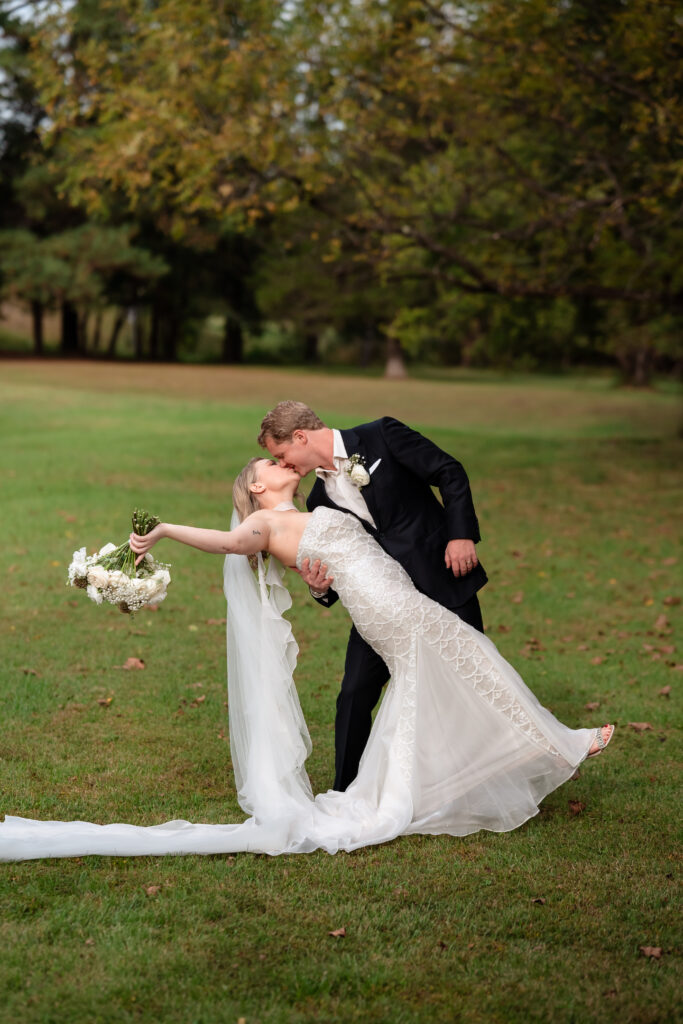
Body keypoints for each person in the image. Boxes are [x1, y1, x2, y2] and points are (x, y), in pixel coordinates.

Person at [0, 458, 613, 861]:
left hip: (392, 595)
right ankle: (559, 742)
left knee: (440, 676)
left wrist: (321, 581)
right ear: (257, 487)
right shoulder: (263, 523)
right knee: (470, 654)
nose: (280, 465)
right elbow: (227, 542)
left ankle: (434, 780)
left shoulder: (306, 507)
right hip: (386, 607)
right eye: (270, 463)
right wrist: (163, 530)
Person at [257, 401, 487, 791]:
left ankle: (500, 768)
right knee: (353, 694)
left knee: (476, 677)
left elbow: (449, 470)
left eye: (281, 455)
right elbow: (340, 564)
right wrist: (318, 587)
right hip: (381, 606)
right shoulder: (317, 501)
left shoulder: (382, 434)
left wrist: (460, 534)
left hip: (441, 576)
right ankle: (345, 791)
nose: (283, 464)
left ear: (300, 437)